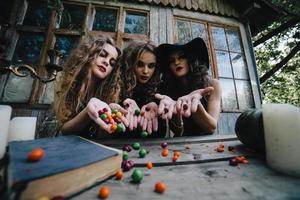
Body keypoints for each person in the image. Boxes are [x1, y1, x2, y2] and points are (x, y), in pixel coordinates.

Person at [54, 34, 128, 138]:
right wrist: (88, 112)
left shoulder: (109, 91)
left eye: (112, 63)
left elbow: (102, 138)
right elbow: (65, 130)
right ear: (89, 55)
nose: (106, 62)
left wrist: (110, 117)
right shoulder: (68, 84)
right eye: (102, 54)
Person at [115, 40, 183, 137]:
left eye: (151, 66)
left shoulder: (162, 89)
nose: (146, 71)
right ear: (130, 64)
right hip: (121, 147)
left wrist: (175, 111)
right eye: (140, 64)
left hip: (157, 148)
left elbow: (178, 132)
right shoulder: (117, 88)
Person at [155, 37, 221, 135]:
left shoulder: (212, 85)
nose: (176, 62)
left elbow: (211, 127)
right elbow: (178, 132)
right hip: (181, 144)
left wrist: (195, 104)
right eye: (171, 60)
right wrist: (176, 112)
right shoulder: (167, 89)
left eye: (181, 57)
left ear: (191, 59)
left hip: (206, 142)